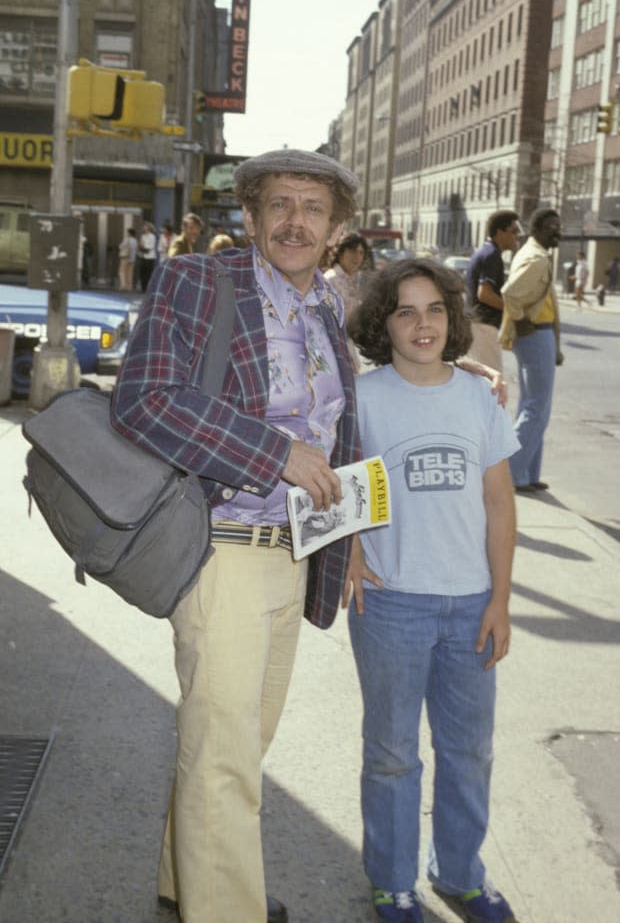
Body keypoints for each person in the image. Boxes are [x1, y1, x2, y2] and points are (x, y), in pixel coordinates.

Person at [110, 148, 362, 923]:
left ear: (334, 229)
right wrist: (271, 452)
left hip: (294, 556)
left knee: (235, 748)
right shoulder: (198, 280)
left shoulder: (327, 306)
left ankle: (187, 881)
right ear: (249, 217)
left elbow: (337, 430)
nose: (295, 221)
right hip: (220, 552)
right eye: (279, 205)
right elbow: (144, 400)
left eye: (312, 210)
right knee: (225, 763)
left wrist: (346, 542)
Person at [345, 258, 519, 923]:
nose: (423, 324)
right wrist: (354, 552)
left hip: (471, 602)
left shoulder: (479, 397)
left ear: (453, 318)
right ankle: (392, 880)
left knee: (468, 749)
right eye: (405, 311)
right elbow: (344, 482)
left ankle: (460, 872)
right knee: (391, 753)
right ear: (382, 324)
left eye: (435, 310)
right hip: (392, 605)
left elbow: (500, 504)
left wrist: (500, 600)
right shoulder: (364, 398)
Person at [499, 207, 564, 494]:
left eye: (558, 226)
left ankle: (526, 474)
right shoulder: (536, 259)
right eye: (551, 226)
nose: (557, 231)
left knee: (535, 406)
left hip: (542, 334)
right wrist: (522, 320)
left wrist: (557, 344)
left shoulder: (535, 253)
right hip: (535, 334)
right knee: (537, 408)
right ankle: (510, 474)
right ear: (537, 229)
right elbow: (510, 293)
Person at [466, 210, 521, 372]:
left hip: (477, 325)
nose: (516, 236)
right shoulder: (492, 255)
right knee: (492, 382)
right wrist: (512, 309)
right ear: (500, 232)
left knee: (479, 382)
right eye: (514, 231)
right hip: (483, 326)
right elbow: (484, 294)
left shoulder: (487, 252)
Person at [324, 232, 372, 372]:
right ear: (340, 253)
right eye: (352, 251)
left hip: (346, 348)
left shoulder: (353, 282)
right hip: (332, 351)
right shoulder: (330, 281)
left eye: (361, 252)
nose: (357, 257)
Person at [138, 221, 157, 291]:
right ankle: (143, 288)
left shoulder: (152, 236)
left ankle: (148, 289)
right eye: (143, 227)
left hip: (150, 257)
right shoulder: (143, 236)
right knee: (142, 273)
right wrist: (142, 246)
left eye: (145, 227)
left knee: (148, 274)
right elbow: (140, 246)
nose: (144, 228)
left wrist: (143, 246)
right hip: (143, 256)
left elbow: (150, 247)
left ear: (148, 228)